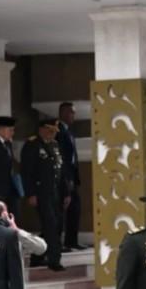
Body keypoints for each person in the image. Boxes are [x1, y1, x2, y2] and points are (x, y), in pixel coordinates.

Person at [21, 117, 67, 271]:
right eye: (49, 130)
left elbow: (60, 171)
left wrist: (66, 193)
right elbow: (27, 172)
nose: (52, 134)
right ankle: (54, 260)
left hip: (55, 192)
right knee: (51, 224)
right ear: (41, 129)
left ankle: (37, 254)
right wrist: (30, 193)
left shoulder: (54, 145)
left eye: (54, 131)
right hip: (41, 192)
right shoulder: (32, 145)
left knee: (56, 224)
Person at [56, 102, 84, 251]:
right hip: (64, 179)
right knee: (61, 211)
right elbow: (62, 159)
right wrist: (66, 179)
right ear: (63, 113)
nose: (74, 115)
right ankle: (58, 243)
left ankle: (72, 241)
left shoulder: (69, 131)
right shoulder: (58, 131)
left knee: (75, 209)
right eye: (71, 112)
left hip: (73, 177)